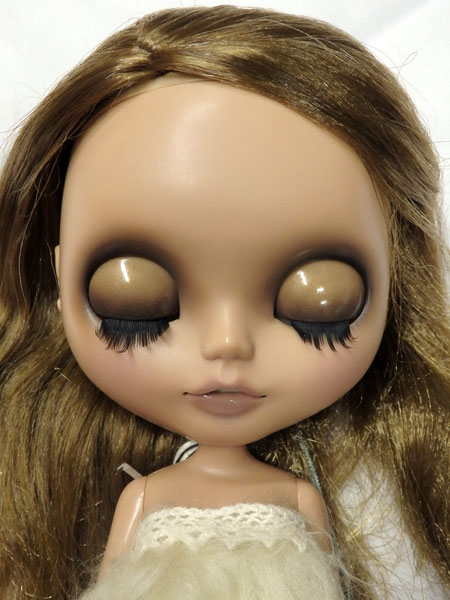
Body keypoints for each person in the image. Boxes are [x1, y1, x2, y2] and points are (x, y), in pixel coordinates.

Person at [0, 6, 448, 600]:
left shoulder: (301, 497)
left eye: (319, 303)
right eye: (135, 302)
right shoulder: (145, 496)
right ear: (59, 279)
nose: (227, 345)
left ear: (395, 277)